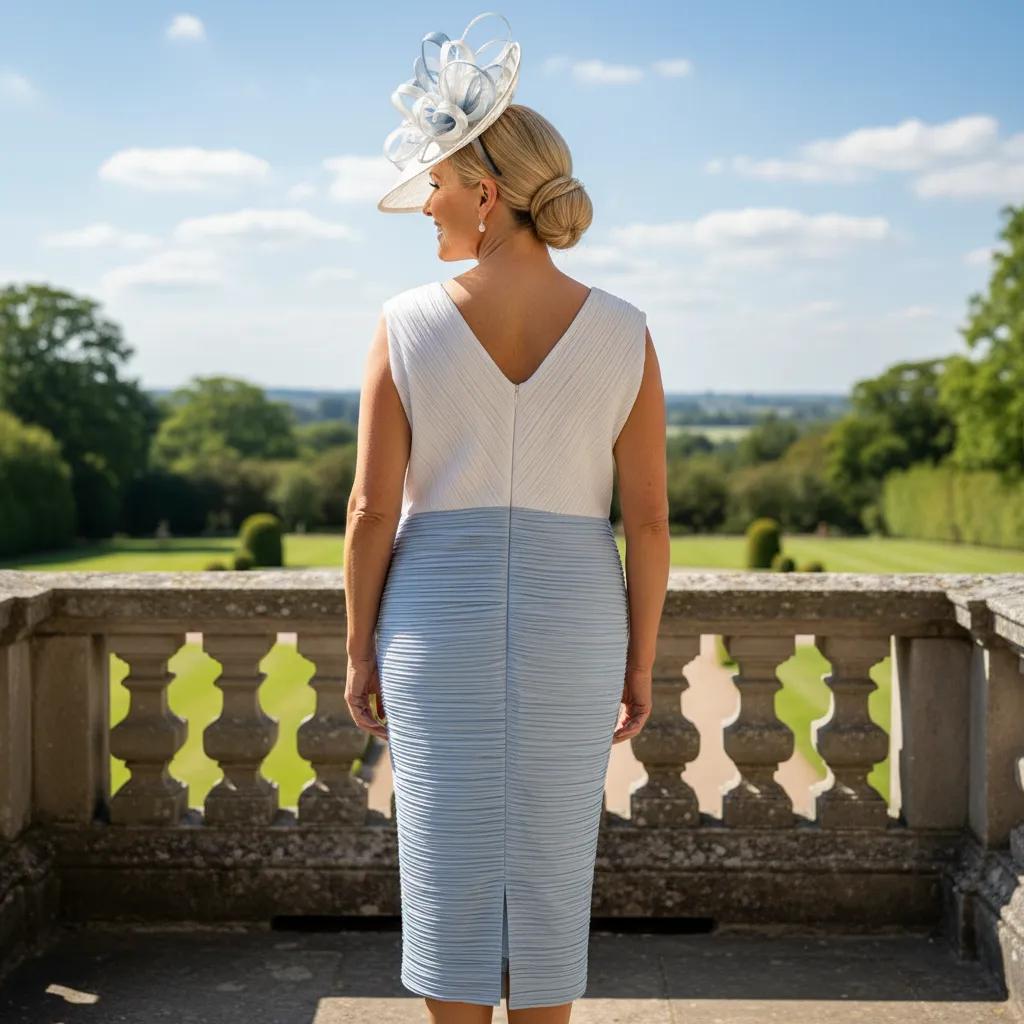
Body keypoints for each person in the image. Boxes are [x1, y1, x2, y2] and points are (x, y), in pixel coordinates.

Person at [343, 14, 670, 1023]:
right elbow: (649, 523)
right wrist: (640, 662)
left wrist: (356, 648)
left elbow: (370, 509)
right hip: (578, 618)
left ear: (485, 194)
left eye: (437, 182)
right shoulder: (626, 331)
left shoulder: (405, 323)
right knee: (553, 859)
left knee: (442, 852)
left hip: (434, 618)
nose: (425, 204)